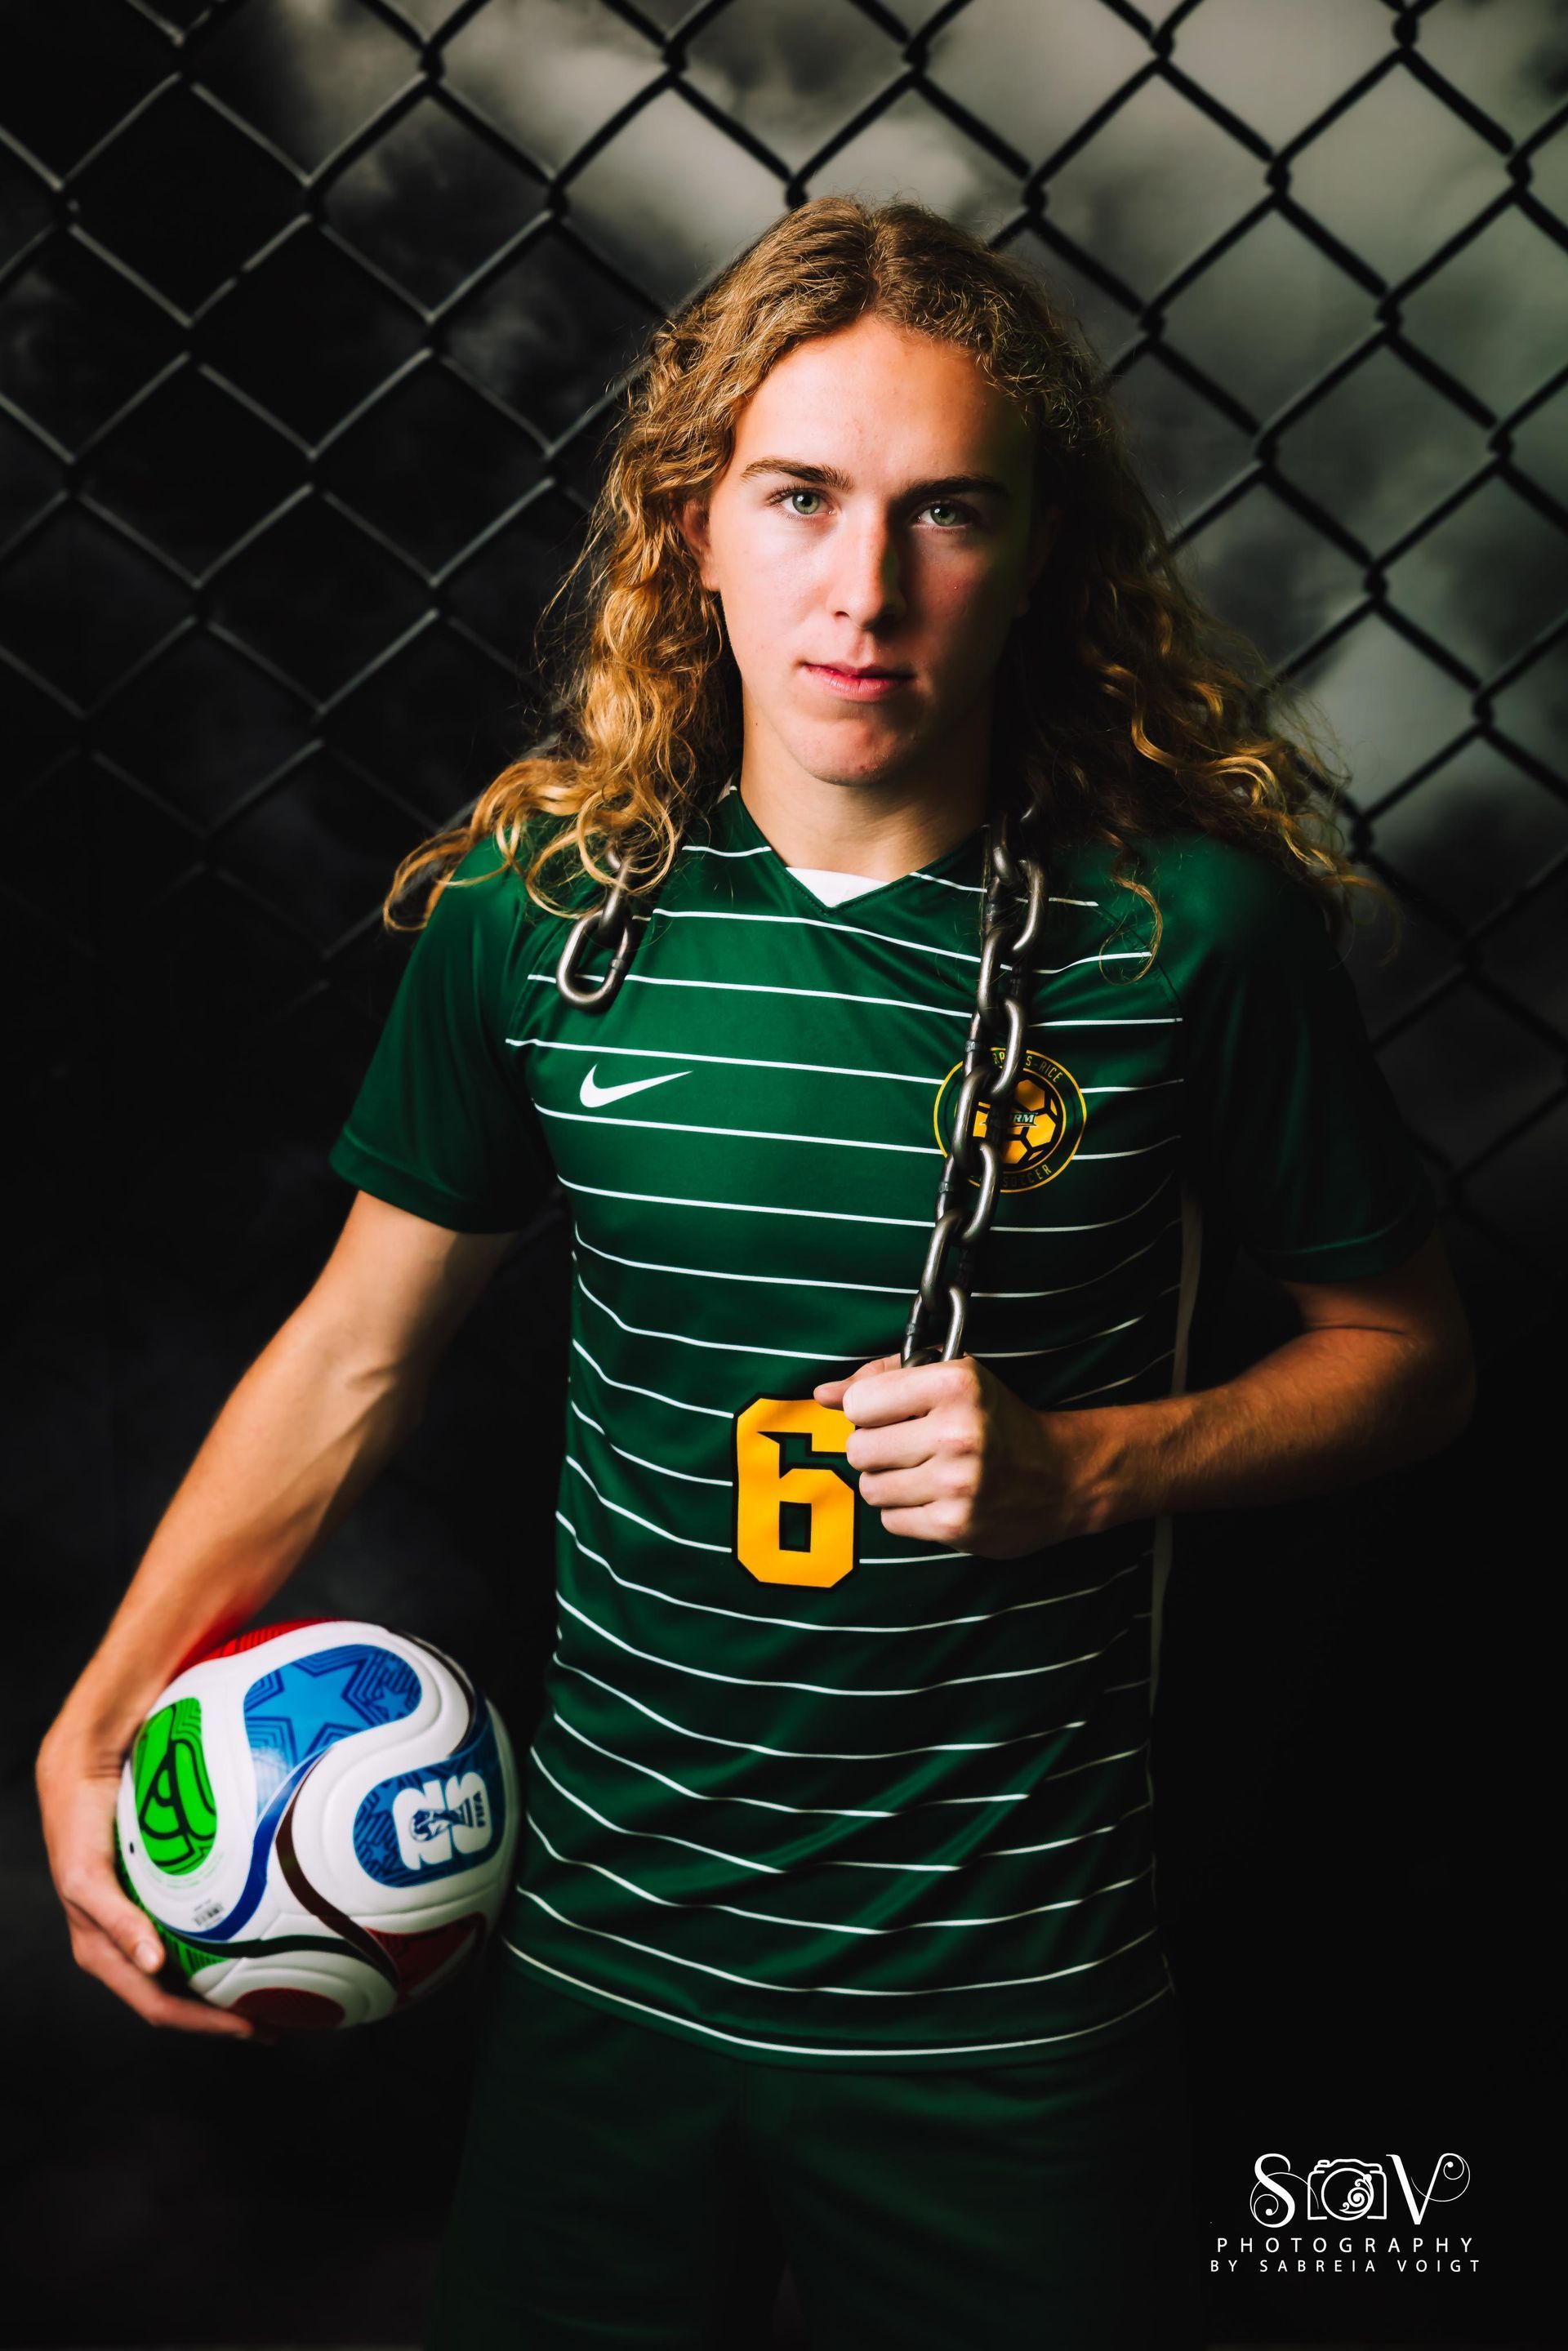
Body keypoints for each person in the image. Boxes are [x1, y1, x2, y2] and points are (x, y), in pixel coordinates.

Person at [37, 198, 1476, 2349]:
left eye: (946, 511)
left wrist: (1091, 1465)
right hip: (603, 1980)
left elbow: (1412, 1359)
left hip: (1004, 2009)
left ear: (1041, 555)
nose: (864, 587)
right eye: (801, 496)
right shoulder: (544, 912)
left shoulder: (1189, 936)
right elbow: (351, 1356)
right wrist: (95, 1721)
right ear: (692, 528)